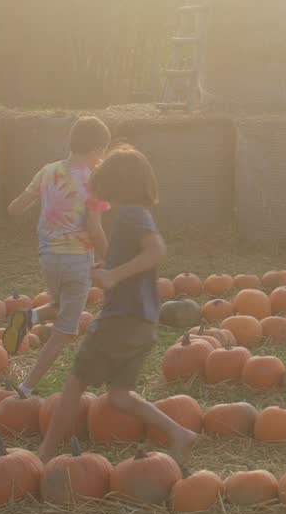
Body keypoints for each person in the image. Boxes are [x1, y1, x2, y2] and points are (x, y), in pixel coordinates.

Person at [37, 145, 195, 465]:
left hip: (121, 319)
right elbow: (136, 257)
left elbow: (157, 251)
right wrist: (106, 268)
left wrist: (113, 276)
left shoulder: (132, 214)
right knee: (119, 396)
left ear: (117, 181)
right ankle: (178, 432)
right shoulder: (135, 214)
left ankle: (43, 454)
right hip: (143, 322)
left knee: (74, 385)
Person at [1, 116, 110, 398]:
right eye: (103, 152)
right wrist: (109, 259)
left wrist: (33, 210)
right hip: (76, 260)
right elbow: (95, 229)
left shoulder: (48, 172)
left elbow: (15, 208)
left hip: (48, 258)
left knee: (61, 304)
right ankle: (27, 387)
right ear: (95, 150)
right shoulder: (96, 182)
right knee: (64, 331)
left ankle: (29, 316)